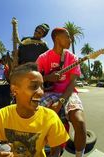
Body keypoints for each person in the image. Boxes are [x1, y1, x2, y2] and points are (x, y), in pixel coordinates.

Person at [0, 62, 69, 156]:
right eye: (34, 86)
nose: (41, 92)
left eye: (42, 86)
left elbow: (56, 150)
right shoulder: (3, 114)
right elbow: (2, 143)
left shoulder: (50, 117)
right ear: (14, 90)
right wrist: (1, 153)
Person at [36, 27, 87, 157]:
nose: (71, 39)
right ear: (57, 38)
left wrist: (60, 102)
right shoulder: (43, 57)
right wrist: (48, 77)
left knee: (80, 122)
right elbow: (34, 78)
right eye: (68, 36)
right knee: (35, 116)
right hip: (49, 92)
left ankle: (79, 154)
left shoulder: (73, 58)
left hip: (69, 93)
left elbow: (72, 83)